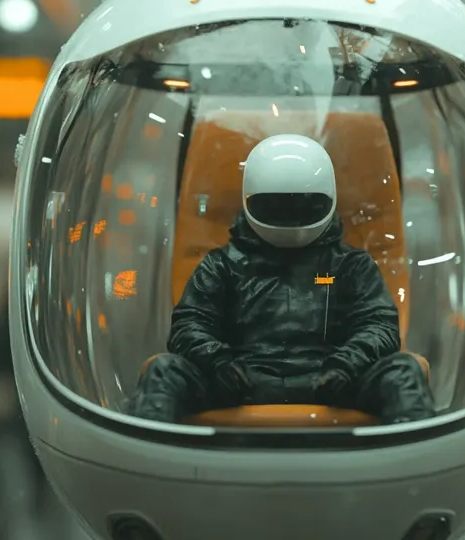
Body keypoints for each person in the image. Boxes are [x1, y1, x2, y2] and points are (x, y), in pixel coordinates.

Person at [129, 133, 435, 425]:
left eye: (303, 205)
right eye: (277, 206)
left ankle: (412, 455)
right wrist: (218, 363)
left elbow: (379, 325)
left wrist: (347, 365)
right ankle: (149, 456)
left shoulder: (352, 266)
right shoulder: (222, 265)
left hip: (330, 379)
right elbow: (189, 324)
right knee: (165, 371)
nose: (291, 216)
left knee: (402, 371)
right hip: (241, 379)